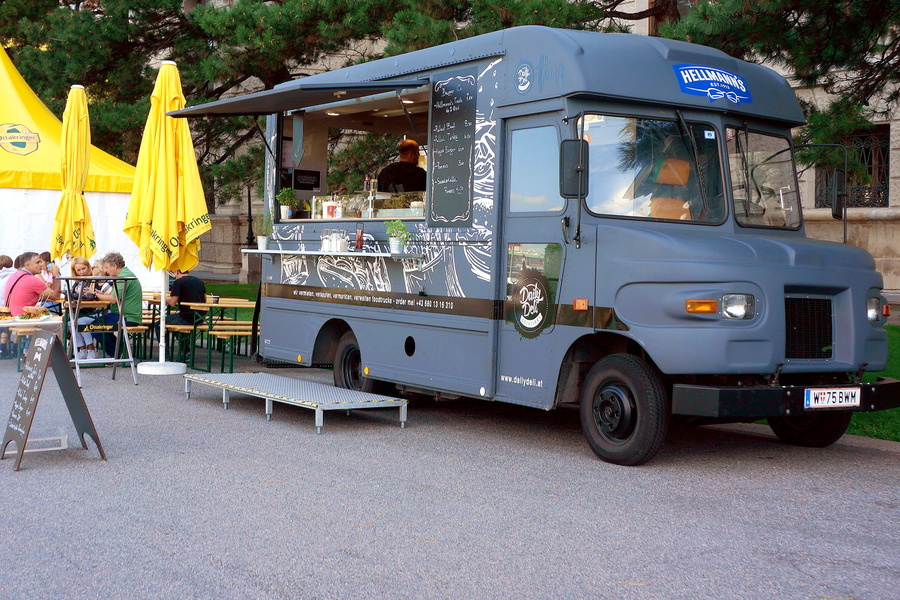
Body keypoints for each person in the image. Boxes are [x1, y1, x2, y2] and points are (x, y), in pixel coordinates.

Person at [94, 251, 143, 358]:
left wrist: (95, 295)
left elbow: (112, 299)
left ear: (115, 266)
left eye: (106, 267)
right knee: (98, 324)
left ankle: (117, 353)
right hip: (128, 315)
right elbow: (115, 296)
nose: (106, 271)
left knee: (94, 327)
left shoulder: (122, 277)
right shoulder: (126, 274)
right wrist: (102, 294)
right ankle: (119, 350)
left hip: (126, 316)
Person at [3, 251, 60, 316]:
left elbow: (28, 296)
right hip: (23, 320)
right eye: (38, 262)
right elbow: (56, 296)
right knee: (60, 324)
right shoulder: (32, 279)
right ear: (28, 265)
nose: (41, 264)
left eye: (41, 262)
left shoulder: (14, 275)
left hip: (10, 318)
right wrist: (55, 276)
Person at [68, 257, 100, 360]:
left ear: (88, 267)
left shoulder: (95, 280)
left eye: (84, 268)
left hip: (97, 312)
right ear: (75, 272)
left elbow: (97, 298)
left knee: (80, 322)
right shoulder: (77, 282)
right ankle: (83, 349)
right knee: (70, 323)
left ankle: (91, 349)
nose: (82, 272)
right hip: (82, 312)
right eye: (79, 270)